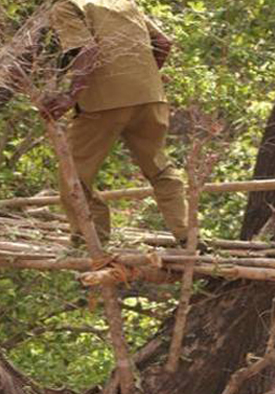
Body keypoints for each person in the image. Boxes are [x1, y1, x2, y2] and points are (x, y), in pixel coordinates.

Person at [43, 0, 190, 246]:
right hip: (149, 96)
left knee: (74, 175)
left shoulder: (67, 6)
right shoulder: (123, 2)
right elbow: (163, 43)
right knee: (160, 167)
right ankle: (187, 234)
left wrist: (70, 96)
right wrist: (141, 79)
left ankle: (93, 240)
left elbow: (87, 51)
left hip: (102, 103)